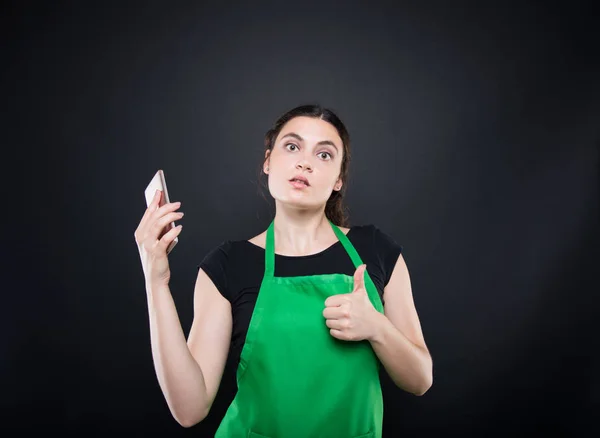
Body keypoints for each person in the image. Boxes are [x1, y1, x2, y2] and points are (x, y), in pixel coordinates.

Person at [134, 104, 433, 437]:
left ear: (338, 180)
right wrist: (156, 281)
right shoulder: (228, 264)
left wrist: (377, 327)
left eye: (324, 155)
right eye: (292, 146)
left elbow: (420, 379)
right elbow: (190, 409)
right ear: (267, 162)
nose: (304, 161)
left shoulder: (376, 250)